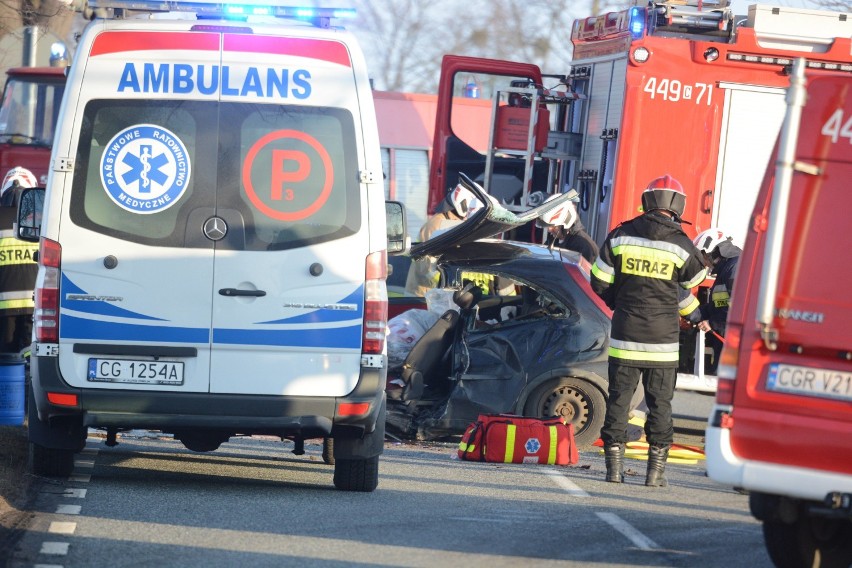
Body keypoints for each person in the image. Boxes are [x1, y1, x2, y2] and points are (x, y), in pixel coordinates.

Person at [590, 174, 707, 487]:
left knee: (619, 401)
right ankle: (655, 476)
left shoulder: (620, 236)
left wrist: (621, 300)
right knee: (660, 405)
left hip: (625, 336)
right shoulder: (681, 244)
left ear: (647, 200)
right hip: (663, 343)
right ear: (677, 205)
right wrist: (691, 311)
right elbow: (692, 283)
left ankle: (613, 471)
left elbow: (598, 281)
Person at [0, 167, 39, 355]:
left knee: (6, 364)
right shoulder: (42, 221)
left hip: (3, 311)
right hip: (36, 307)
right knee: (29, 362)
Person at [692, 227, 742, 373]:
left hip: (733, 341)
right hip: (726, 337)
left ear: (714, 252)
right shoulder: (726, 269)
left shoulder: (734, 268)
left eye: (704, 256)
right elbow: (718, 306)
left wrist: (712, 323)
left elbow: (738, 307)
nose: (704, 262)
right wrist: (694, 313)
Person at [537, 191, 599, 263]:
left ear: (565, 223)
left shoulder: (583, 245)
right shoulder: (554, 239)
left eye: (553, 226)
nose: (549, 230)